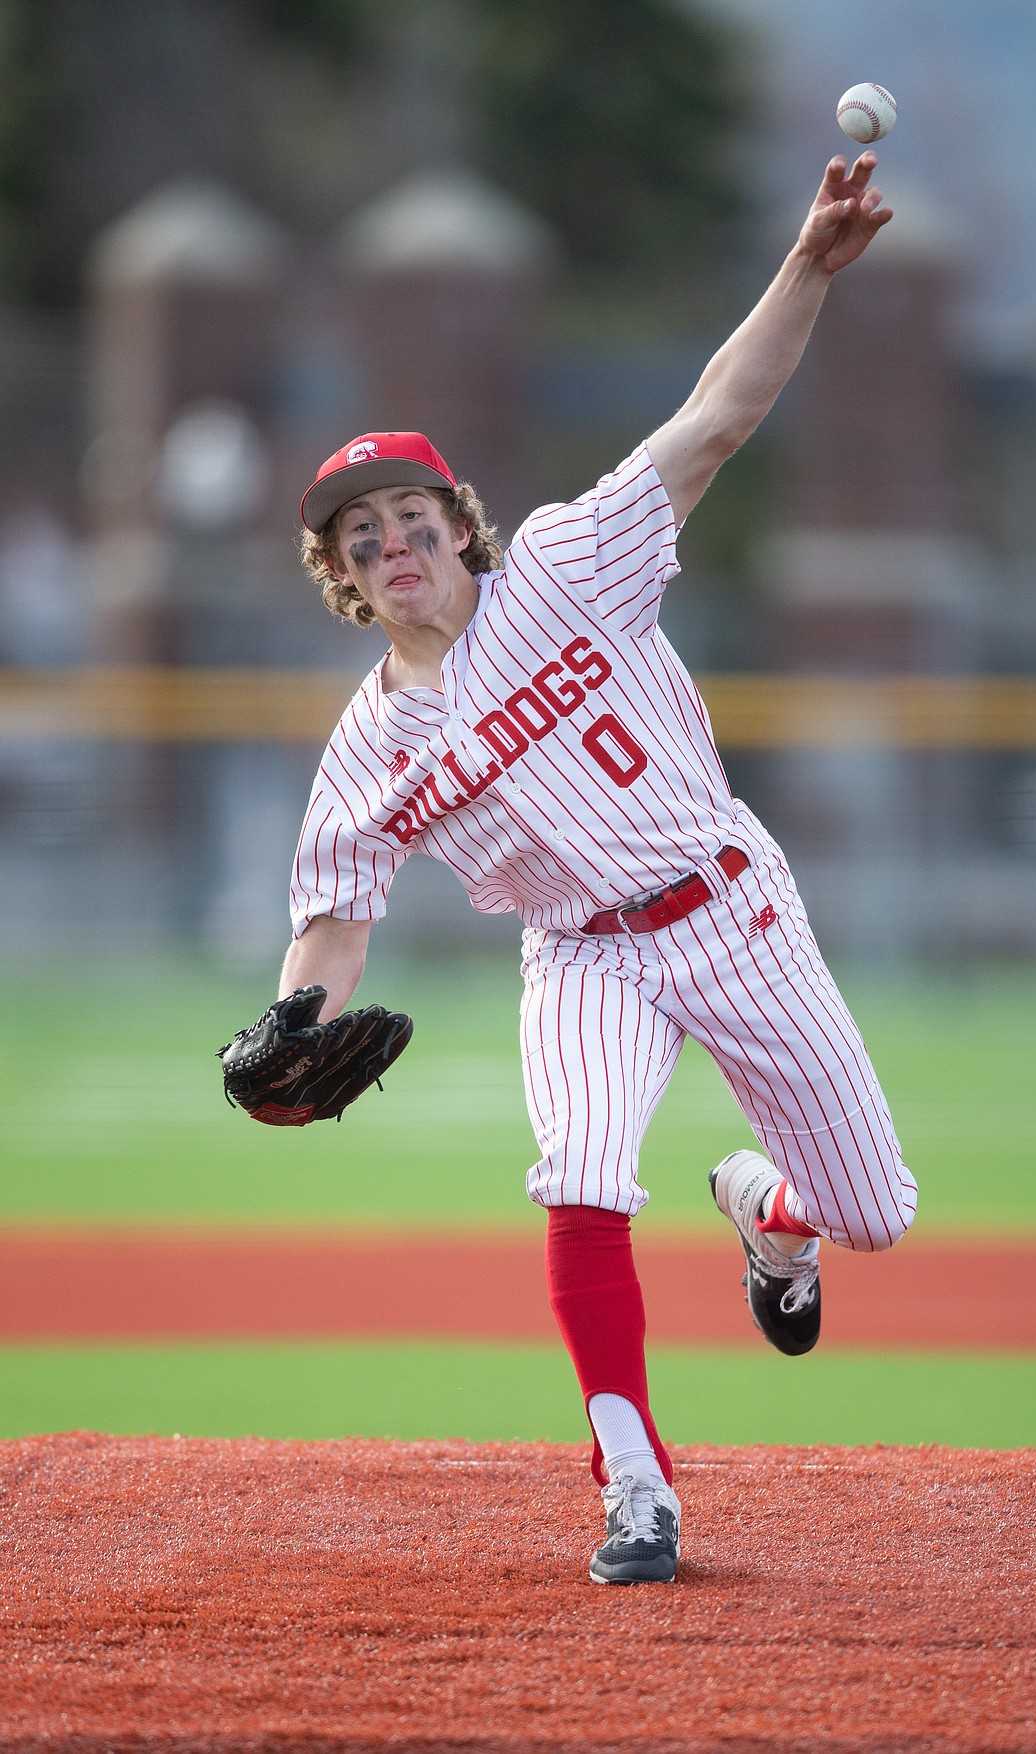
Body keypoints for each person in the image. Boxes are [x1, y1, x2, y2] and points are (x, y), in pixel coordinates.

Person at [286, 152, 917, 1585]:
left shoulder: (569, 564)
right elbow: (332, 918)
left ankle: (771, 1213)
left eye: (408, 515)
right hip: (581, 953)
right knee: (577, 1174)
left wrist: (807, 265)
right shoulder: (362, 747)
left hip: (732, 903)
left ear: (459, 524)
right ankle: (635, 1484)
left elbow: (717, 419)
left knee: (873, 1213)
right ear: (342, 575)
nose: (390, 541)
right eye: (357, 535)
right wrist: (290, 1023)